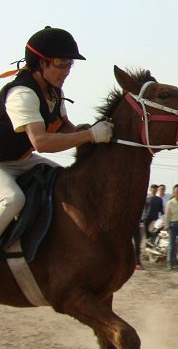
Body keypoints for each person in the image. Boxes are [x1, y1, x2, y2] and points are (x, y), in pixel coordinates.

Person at [0, 26, 114, 237]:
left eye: (69, 64)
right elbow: (41, 142)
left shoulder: (54, 92)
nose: (66, 71)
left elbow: (65, 128)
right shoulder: (22, 94)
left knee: (67, 181)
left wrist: (95, 131)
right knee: (13, 199)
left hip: (21, 160)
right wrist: (90, 135)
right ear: (41, 63)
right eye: (61, 64)